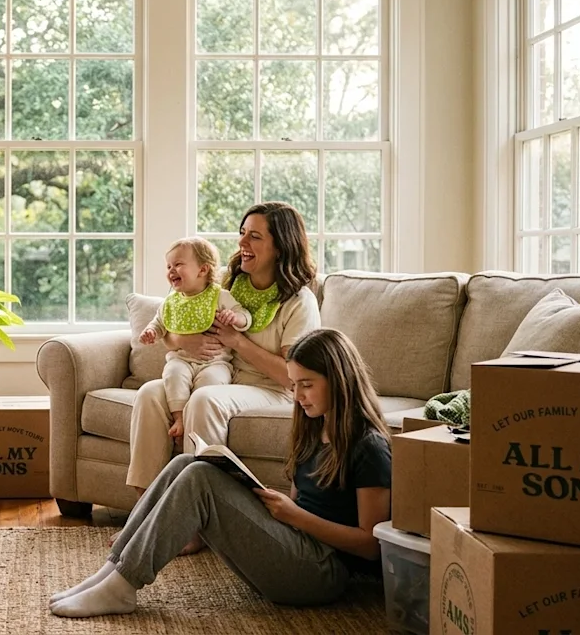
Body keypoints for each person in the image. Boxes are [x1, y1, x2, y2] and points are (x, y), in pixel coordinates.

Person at [49, 328, 392, 618]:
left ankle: (122, 586)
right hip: (295, 546)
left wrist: (294, 516)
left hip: (323, 572)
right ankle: (113, 570)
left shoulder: (369, 447)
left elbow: (370, 546)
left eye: (307, 384)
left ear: (339, 381)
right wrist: (268, 505)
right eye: (293, 384)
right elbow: (300, 500)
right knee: (187, 463)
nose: (296, 395)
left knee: (201, 479)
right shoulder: (313, 429)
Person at [126, 202, 321, 554]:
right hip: (226, 378)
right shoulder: (230, 285)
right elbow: (173, 327)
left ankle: (193, 523)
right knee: (151, 393)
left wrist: (237, 342)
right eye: (242, 233)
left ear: (281, 246)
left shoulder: (299, 301)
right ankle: (146, 514)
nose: (242, 242)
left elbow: (294, 377)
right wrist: (183, 341)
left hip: (270, 389)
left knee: (204, 398)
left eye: (255, 236)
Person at [138, 237, 251, 440]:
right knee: (173, 374)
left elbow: (243, 314)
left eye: (179, 264)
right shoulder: (170, 303)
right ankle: (180, 418)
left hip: (215, 362)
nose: (171, 270)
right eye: (169, 266)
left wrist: (236, 318)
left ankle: (195, 421)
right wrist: (151, 332)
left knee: (212, 383)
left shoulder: (219, 296)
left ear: (203, 270)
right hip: (182, 360)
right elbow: (159, 323)